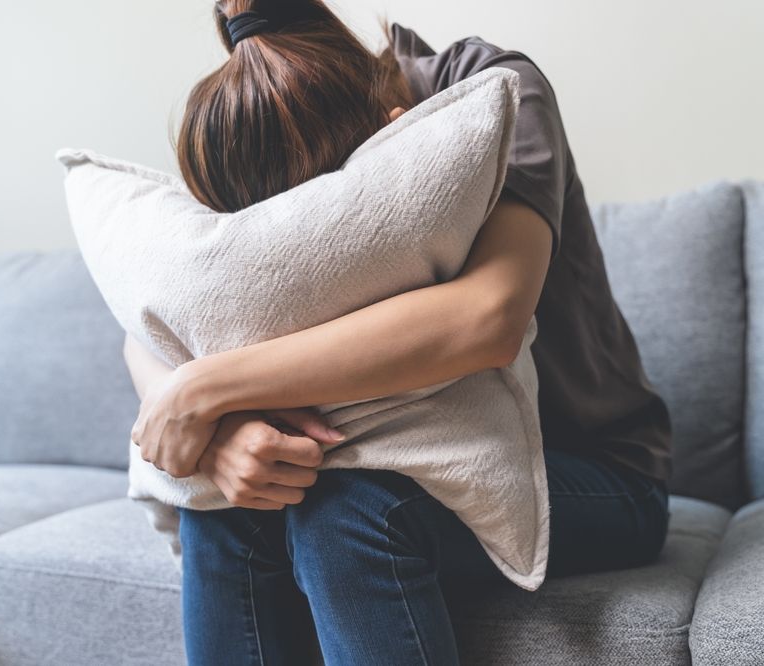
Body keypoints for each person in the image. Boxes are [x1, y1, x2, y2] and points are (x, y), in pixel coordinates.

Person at [123, 1, 672, 664]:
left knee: (351, 511)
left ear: (389, 138)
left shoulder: (486, 88)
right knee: (228, 507)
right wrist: (211, 431)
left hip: (593, 467)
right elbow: (160, 319)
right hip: (372, 449)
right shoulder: (254, 120)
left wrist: (206, 389)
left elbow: (489, 316)